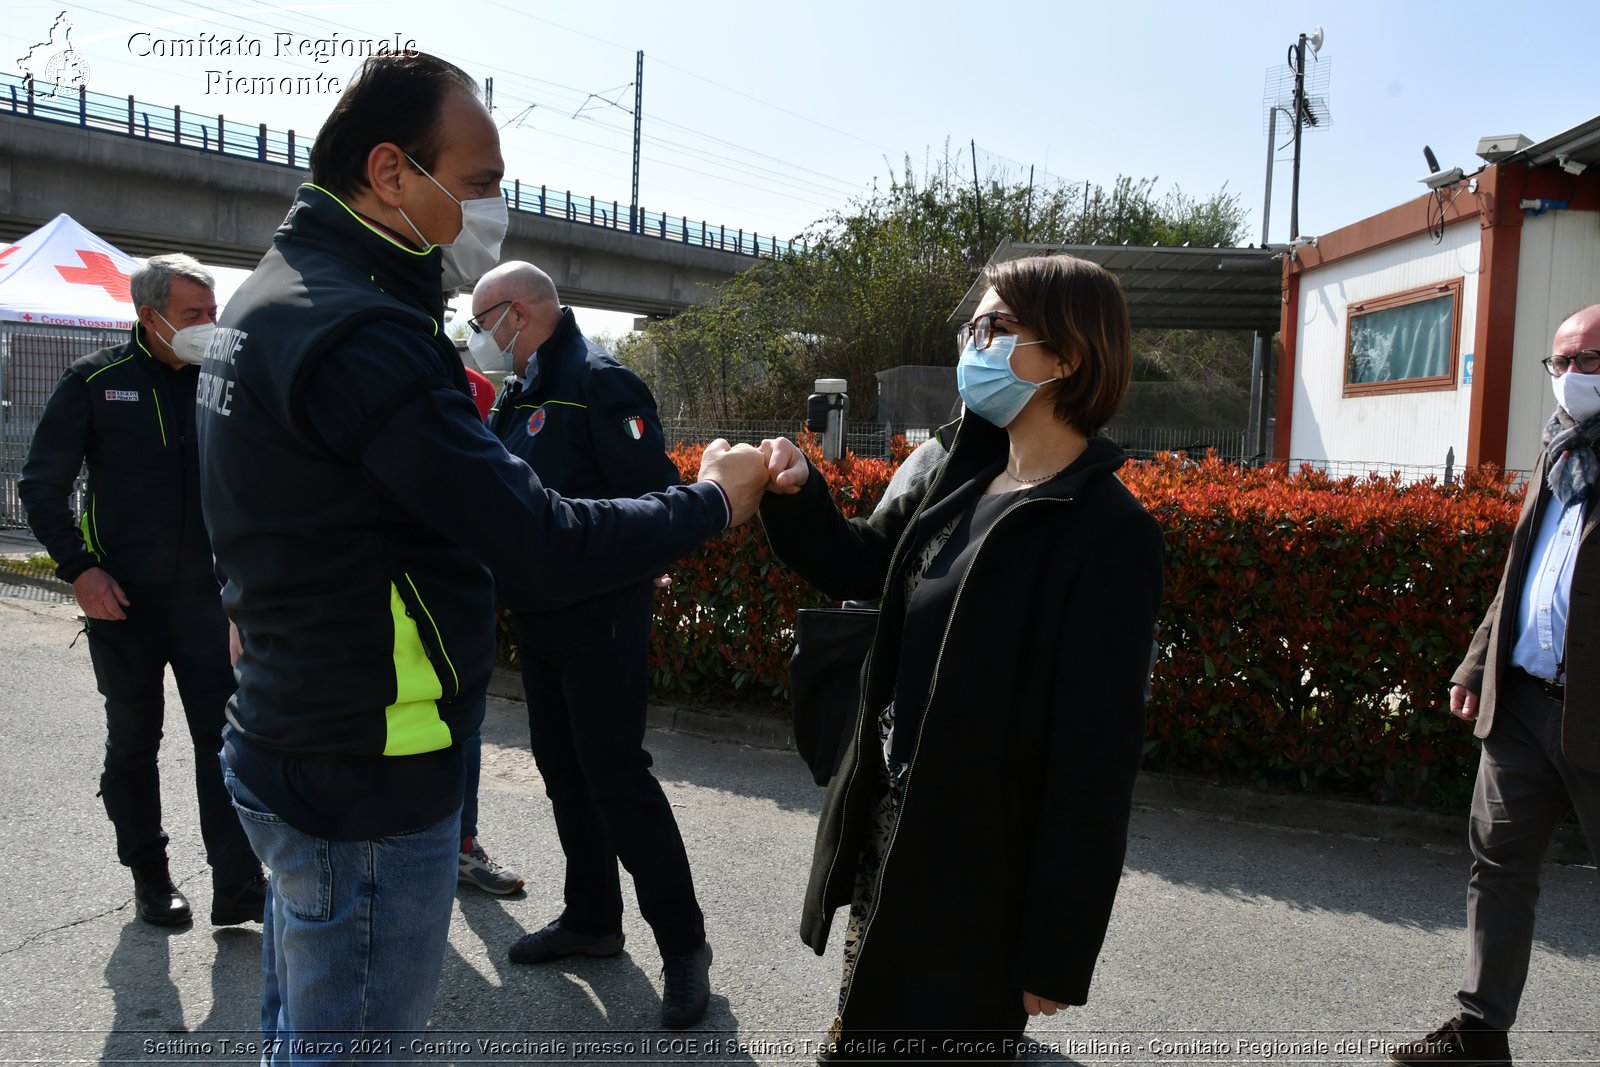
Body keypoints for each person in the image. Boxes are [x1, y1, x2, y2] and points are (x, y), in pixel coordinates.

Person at [194, 52, 768, 1062]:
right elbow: (537, 537)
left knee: (311, 1021)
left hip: (317, 719)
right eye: (481, 180)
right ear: (389, 172)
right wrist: (716, 499)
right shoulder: (365, 331)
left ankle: (672, 947)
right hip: (366, 757)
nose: (497, 205)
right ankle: (595, 912)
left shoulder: (272, 299)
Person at [758, 253, 1164, 1061]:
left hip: (985, 873)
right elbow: (867, 563)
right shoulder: (962, 471)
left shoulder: (1108, 530)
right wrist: (800, 492)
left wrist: (1057, 945)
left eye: (996, 327)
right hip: (896, 830)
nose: (972, 345)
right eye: (972, 326)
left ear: (1070, 356)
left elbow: (1096, 757)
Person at [469, 261, 713, 1028]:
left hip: (602, 619)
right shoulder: (524, 389)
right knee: (564, 774)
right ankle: (592, 920)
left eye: (480, 321)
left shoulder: (599, 381)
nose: (477, 337)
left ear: (516, 314)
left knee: (616, 779)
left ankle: (684, 946)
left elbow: (655, 502)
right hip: (540, 620)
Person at [19, 254, 264, 928]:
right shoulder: (94, 382)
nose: (208, 326)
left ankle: (238, 883)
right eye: (193, 315)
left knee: (228, 742)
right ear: (149, 316)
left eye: (213, 313)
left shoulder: (225, 383)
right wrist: (80, 569)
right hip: (123, 604)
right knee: (134, 741)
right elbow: (41, 486)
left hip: (210, 606)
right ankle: (150, 875)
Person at [1388, 305, 1600, 1067]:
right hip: (1524, 705)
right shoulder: (1559, 453)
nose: (1573, 377)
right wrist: (1478, 664)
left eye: (1591, 360)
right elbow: (1523, 572)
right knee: (1499, 863)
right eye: (1562, 361)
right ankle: (1480, 1032)